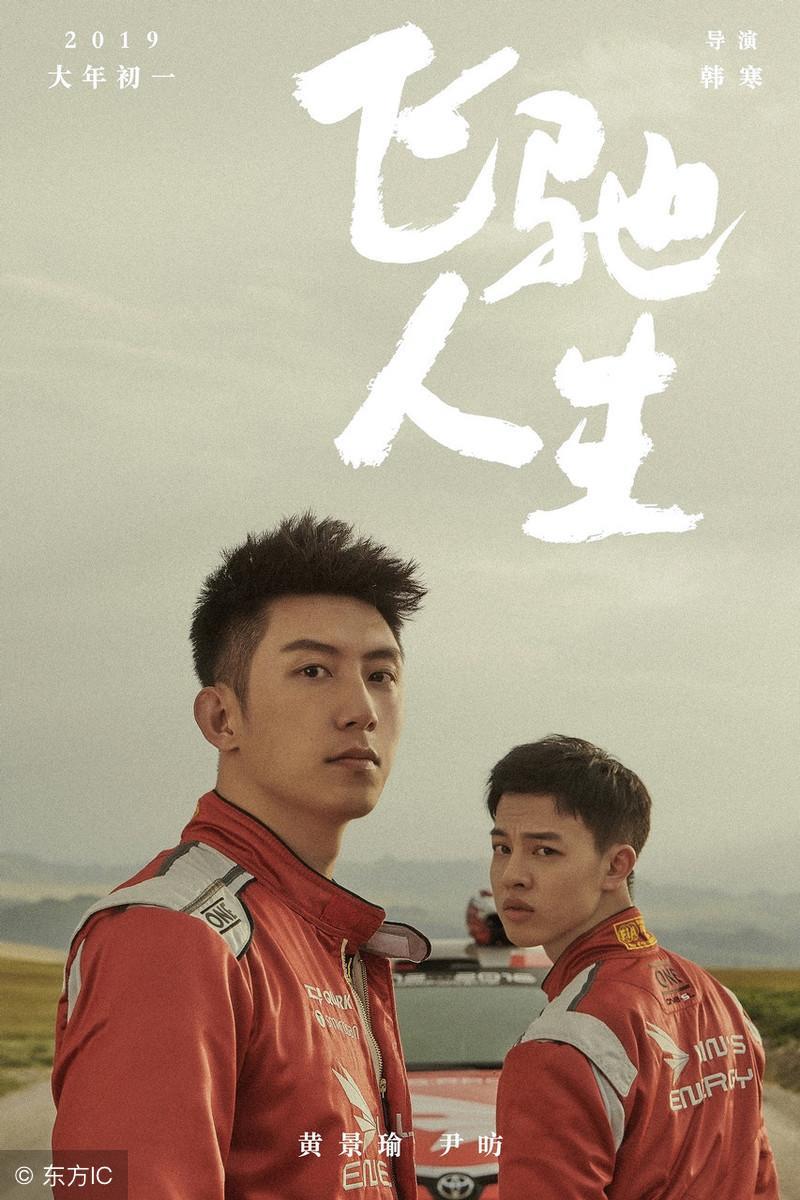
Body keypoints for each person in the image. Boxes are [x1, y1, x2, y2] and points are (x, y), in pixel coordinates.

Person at [51, 513, 429, 1199]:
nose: (361, 709)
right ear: (222, 718)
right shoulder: (174, 936)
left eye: (381, 674)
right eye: (313, 670)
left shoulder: (325, 937)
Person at [487, 734, 779, 1199]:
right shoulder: (721, 1001)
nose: (512, 875)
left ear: (616, 866)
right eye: (503, 847)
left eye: (545, 851)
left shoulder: (561, 1048)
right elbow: (760, 1182)